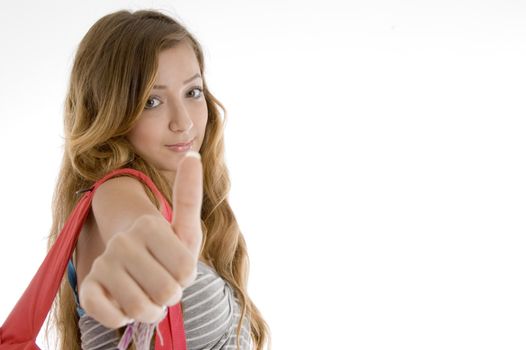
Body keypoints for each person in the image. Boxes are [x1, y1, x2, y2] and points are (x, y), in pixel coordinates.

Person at [45, 9, 270, 350]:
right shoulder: (116, 190)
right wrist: (135, 244)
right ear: (111, 113)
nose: (183, 122)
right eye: (152, 101)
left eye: (192, 93)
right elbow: (129, 224)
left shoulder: (176, 201)